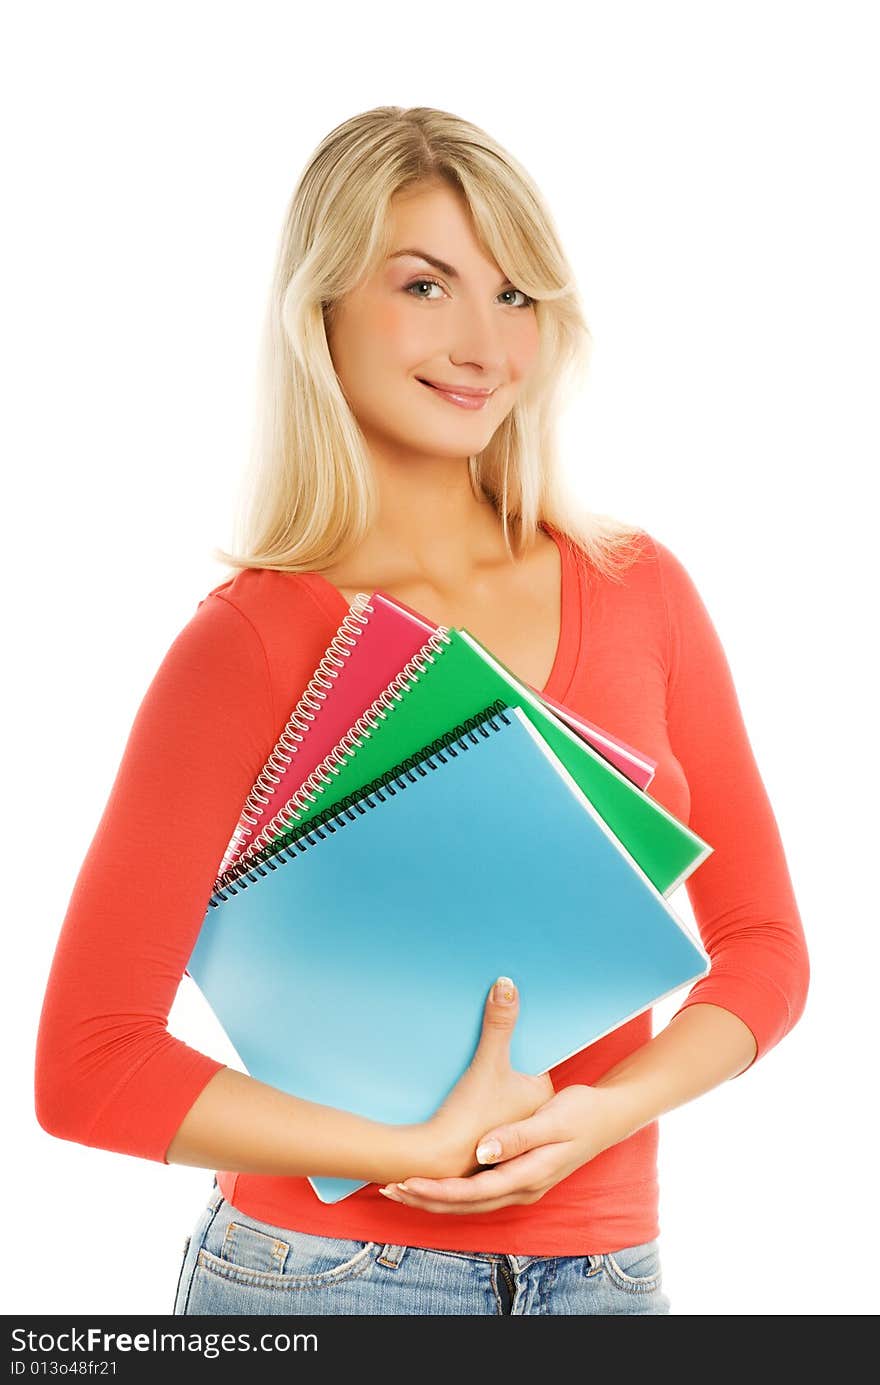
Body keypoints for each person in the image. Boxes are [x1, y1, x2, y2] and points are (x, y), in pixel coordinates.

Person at [34, 105, 810, 1317]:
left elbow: (764, 942)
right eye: (424, 283)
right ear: (322, 310)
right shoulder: (246, 640)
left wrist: (604, 1112)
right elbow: (88, 1063)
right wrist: (413, 1150)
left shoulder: (637, 586)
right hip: (321, 1280)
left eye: (515, 297)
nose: (482, 343)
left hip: (608, 1274)